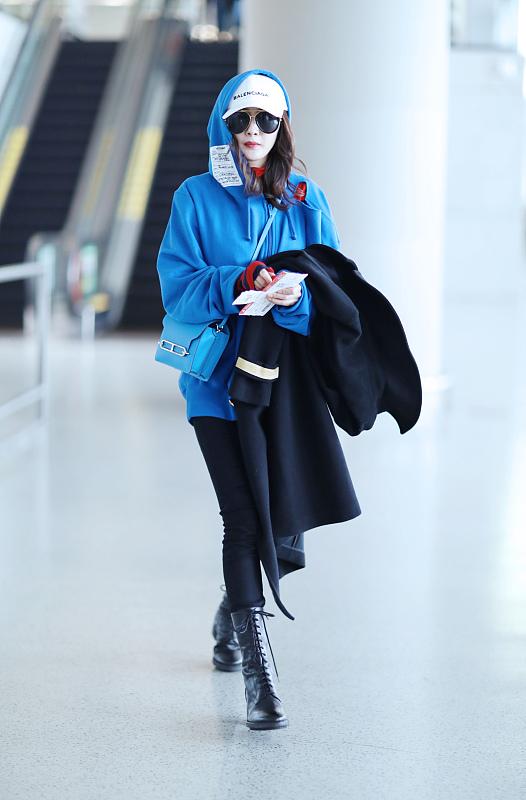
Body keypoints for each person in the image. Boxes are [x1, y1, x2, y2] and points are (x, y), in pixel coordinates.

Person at [156, 69, 341, 731]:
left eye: (266, 120)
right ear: (225, 127)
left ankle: (228, 615)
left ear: (282, 124)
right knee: (241, 517)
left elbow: (332, 297)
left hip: (282, 387)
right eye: (242, 121)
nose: (254, 132)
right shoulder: (194, 197)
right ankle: (261, 679)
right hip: (213, 382)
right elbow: (178, 289)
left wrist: (292, 299)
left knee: (278, 522)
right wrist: (240, 277)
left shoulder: (306, 200)